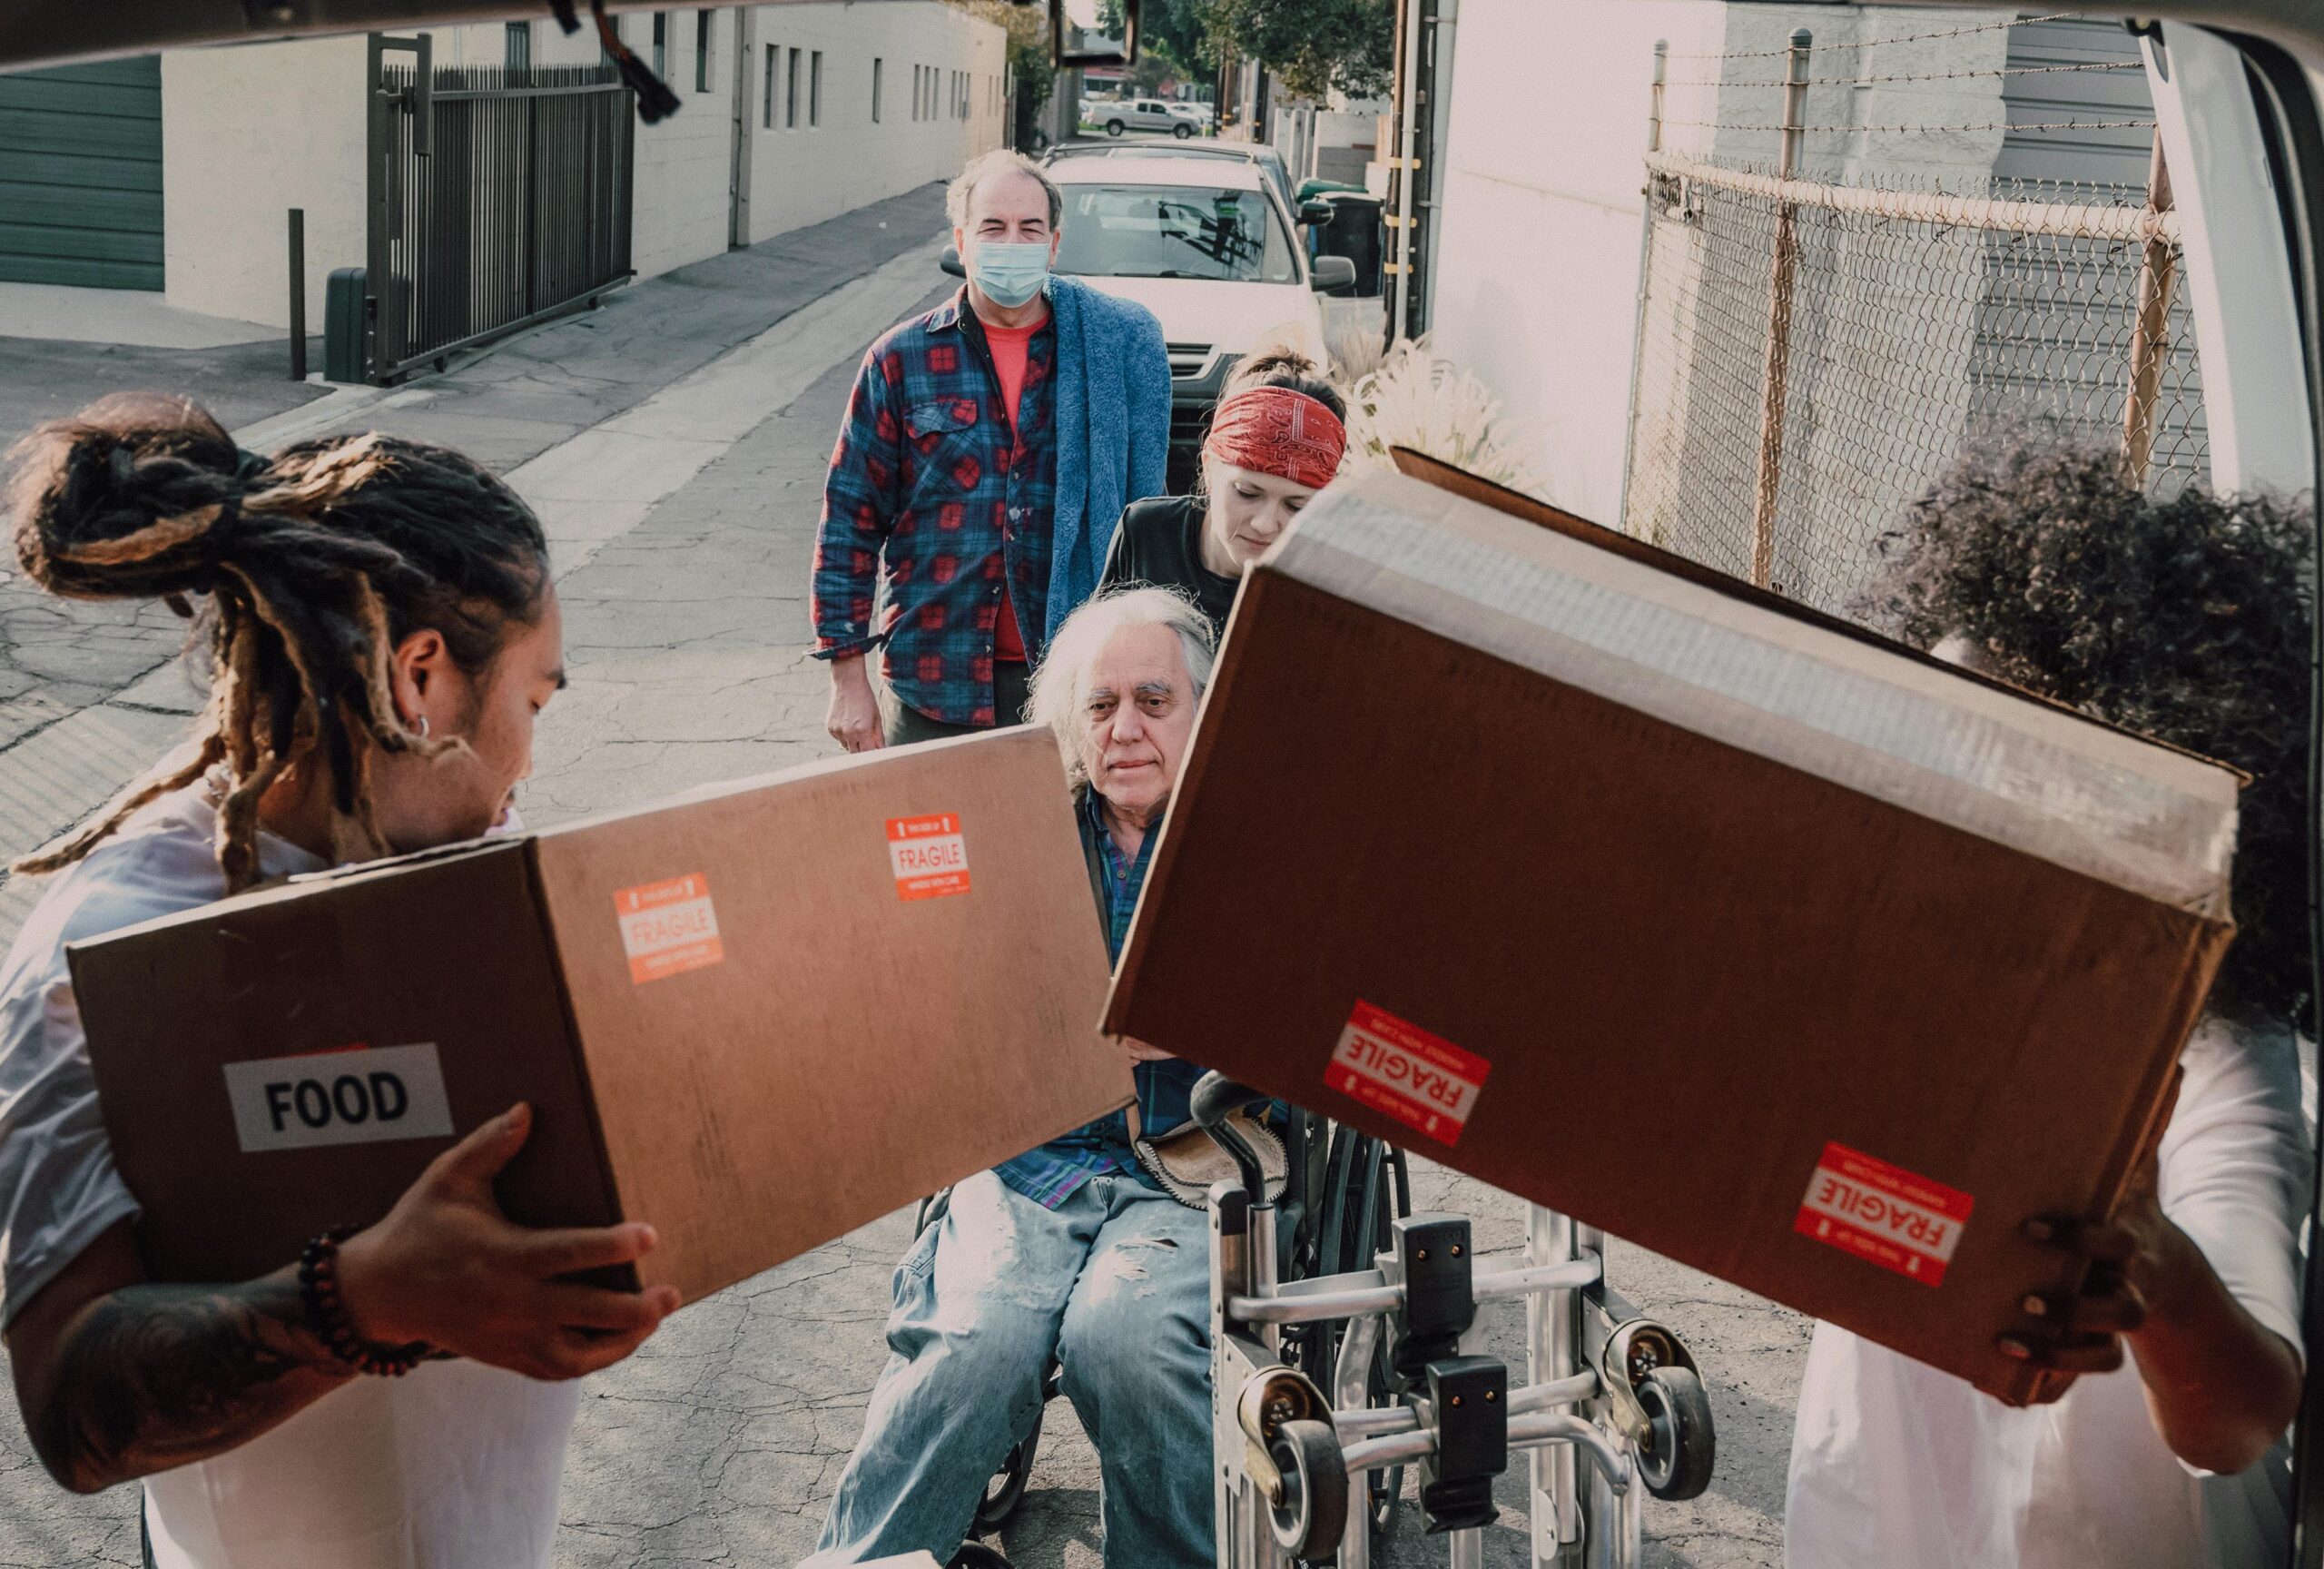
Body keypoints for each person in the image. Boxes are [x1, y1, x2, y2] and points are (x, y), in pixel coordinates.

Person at [0, 394, 681, 1569]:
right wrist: (363, 1301)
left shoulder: (444, 888)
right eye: (532, 701)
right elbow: (73, 1409)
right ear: (421, 679)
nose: (528, 762)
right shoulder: (113, 947)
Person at [1785, 444, 2313, 1569]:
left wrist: (2150, 1265)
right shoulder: (1897, 979)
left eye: (1985, 755)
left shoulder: (2218, 1051)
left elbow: (2242, 1420)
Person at [807, 588, 1219, 1569]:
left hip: (1195, 1175)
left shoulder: (1254, 846)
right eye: (1100, 704)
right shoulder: (1021, 832)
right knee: (977, 1342)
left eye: (1154, 701)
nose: (1125, 729)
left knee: (1127, 1339)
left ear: (1205, 710)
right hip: (1032, 1157)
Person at [815, 150, 1173, 749]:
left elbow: (1145, 520)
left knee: (1051, 845)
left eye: (1030, 229)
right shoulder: (900, 360)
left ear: (1054, 244)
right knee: (929, 844)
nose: (1013, 242)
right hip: (933, 681)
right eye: (993, 227)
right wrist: (846, 675)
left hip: (1074, 681)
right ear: (961, 240)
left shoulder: (1106, 348)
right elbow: (849, 523)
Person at [1098, 340, 1348, 636]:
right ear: (1210, 465)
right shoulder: (1148, 532)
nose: (1265, 524)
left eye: (1296, 506)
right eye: (1247, 492)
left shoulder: (1322, 588)